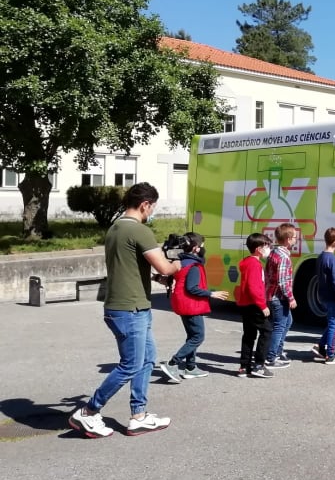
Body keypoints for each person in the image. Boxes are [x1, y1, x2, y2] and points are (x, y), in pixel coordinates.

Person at [68, 182, 181, 438]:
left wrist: (156, 278)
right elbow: (165, 267)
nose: (152, 212)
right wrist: (178, 262)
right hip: (130, 309)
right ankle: (88, 411)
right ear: (145, 205)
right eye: (152, 207)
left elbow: (129, 266)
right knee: (131, 364)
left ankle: (138, 416)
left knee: (147, 359)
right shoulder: (139, 231)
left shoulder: (115, 228)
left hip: (128, 306)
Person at [159, 233, 229, 381]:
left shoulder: (181, 262)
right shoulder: (194, 266)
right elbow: (192, 288)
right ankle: (173, 363)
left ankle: (190, 367)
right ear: (196, 248)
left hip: (182, 303)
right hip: (191, 304)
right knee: (198, 336)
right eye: (202, 245)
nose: (203, 248)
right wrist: (212, 294)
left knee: (192, 336)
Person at [235, 232, 275, 378]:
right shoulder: (254, 264)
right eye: (267, 246)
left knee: (249, 335)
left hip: (246, 304)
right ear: (259, 248)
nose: (269, 249)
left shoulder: (248, 262)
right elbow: (253, 287)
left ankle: (244, 366)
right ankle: (259, 364)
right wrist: (262, 305)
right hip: (254, 304)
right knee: (267, 331)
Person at [265, 223, 298, 369]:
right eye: (295, 237)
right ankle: (271, 357)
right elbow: (283, 281)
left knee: (287, 321)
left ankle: (277, 351)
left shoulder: (273, 253)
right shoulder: (284, 257)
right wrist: (290, 297)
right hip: (279, 297)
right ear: (288, 239)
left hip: (272, 294)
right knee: (279, 326)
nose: (296, 239)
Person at [312, 227, 335, 364]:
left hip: (324, 295)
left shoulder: (321, 257)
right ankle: (331, 354)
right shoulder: (333, 260)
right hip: (333, 297)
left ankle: (321, 345)